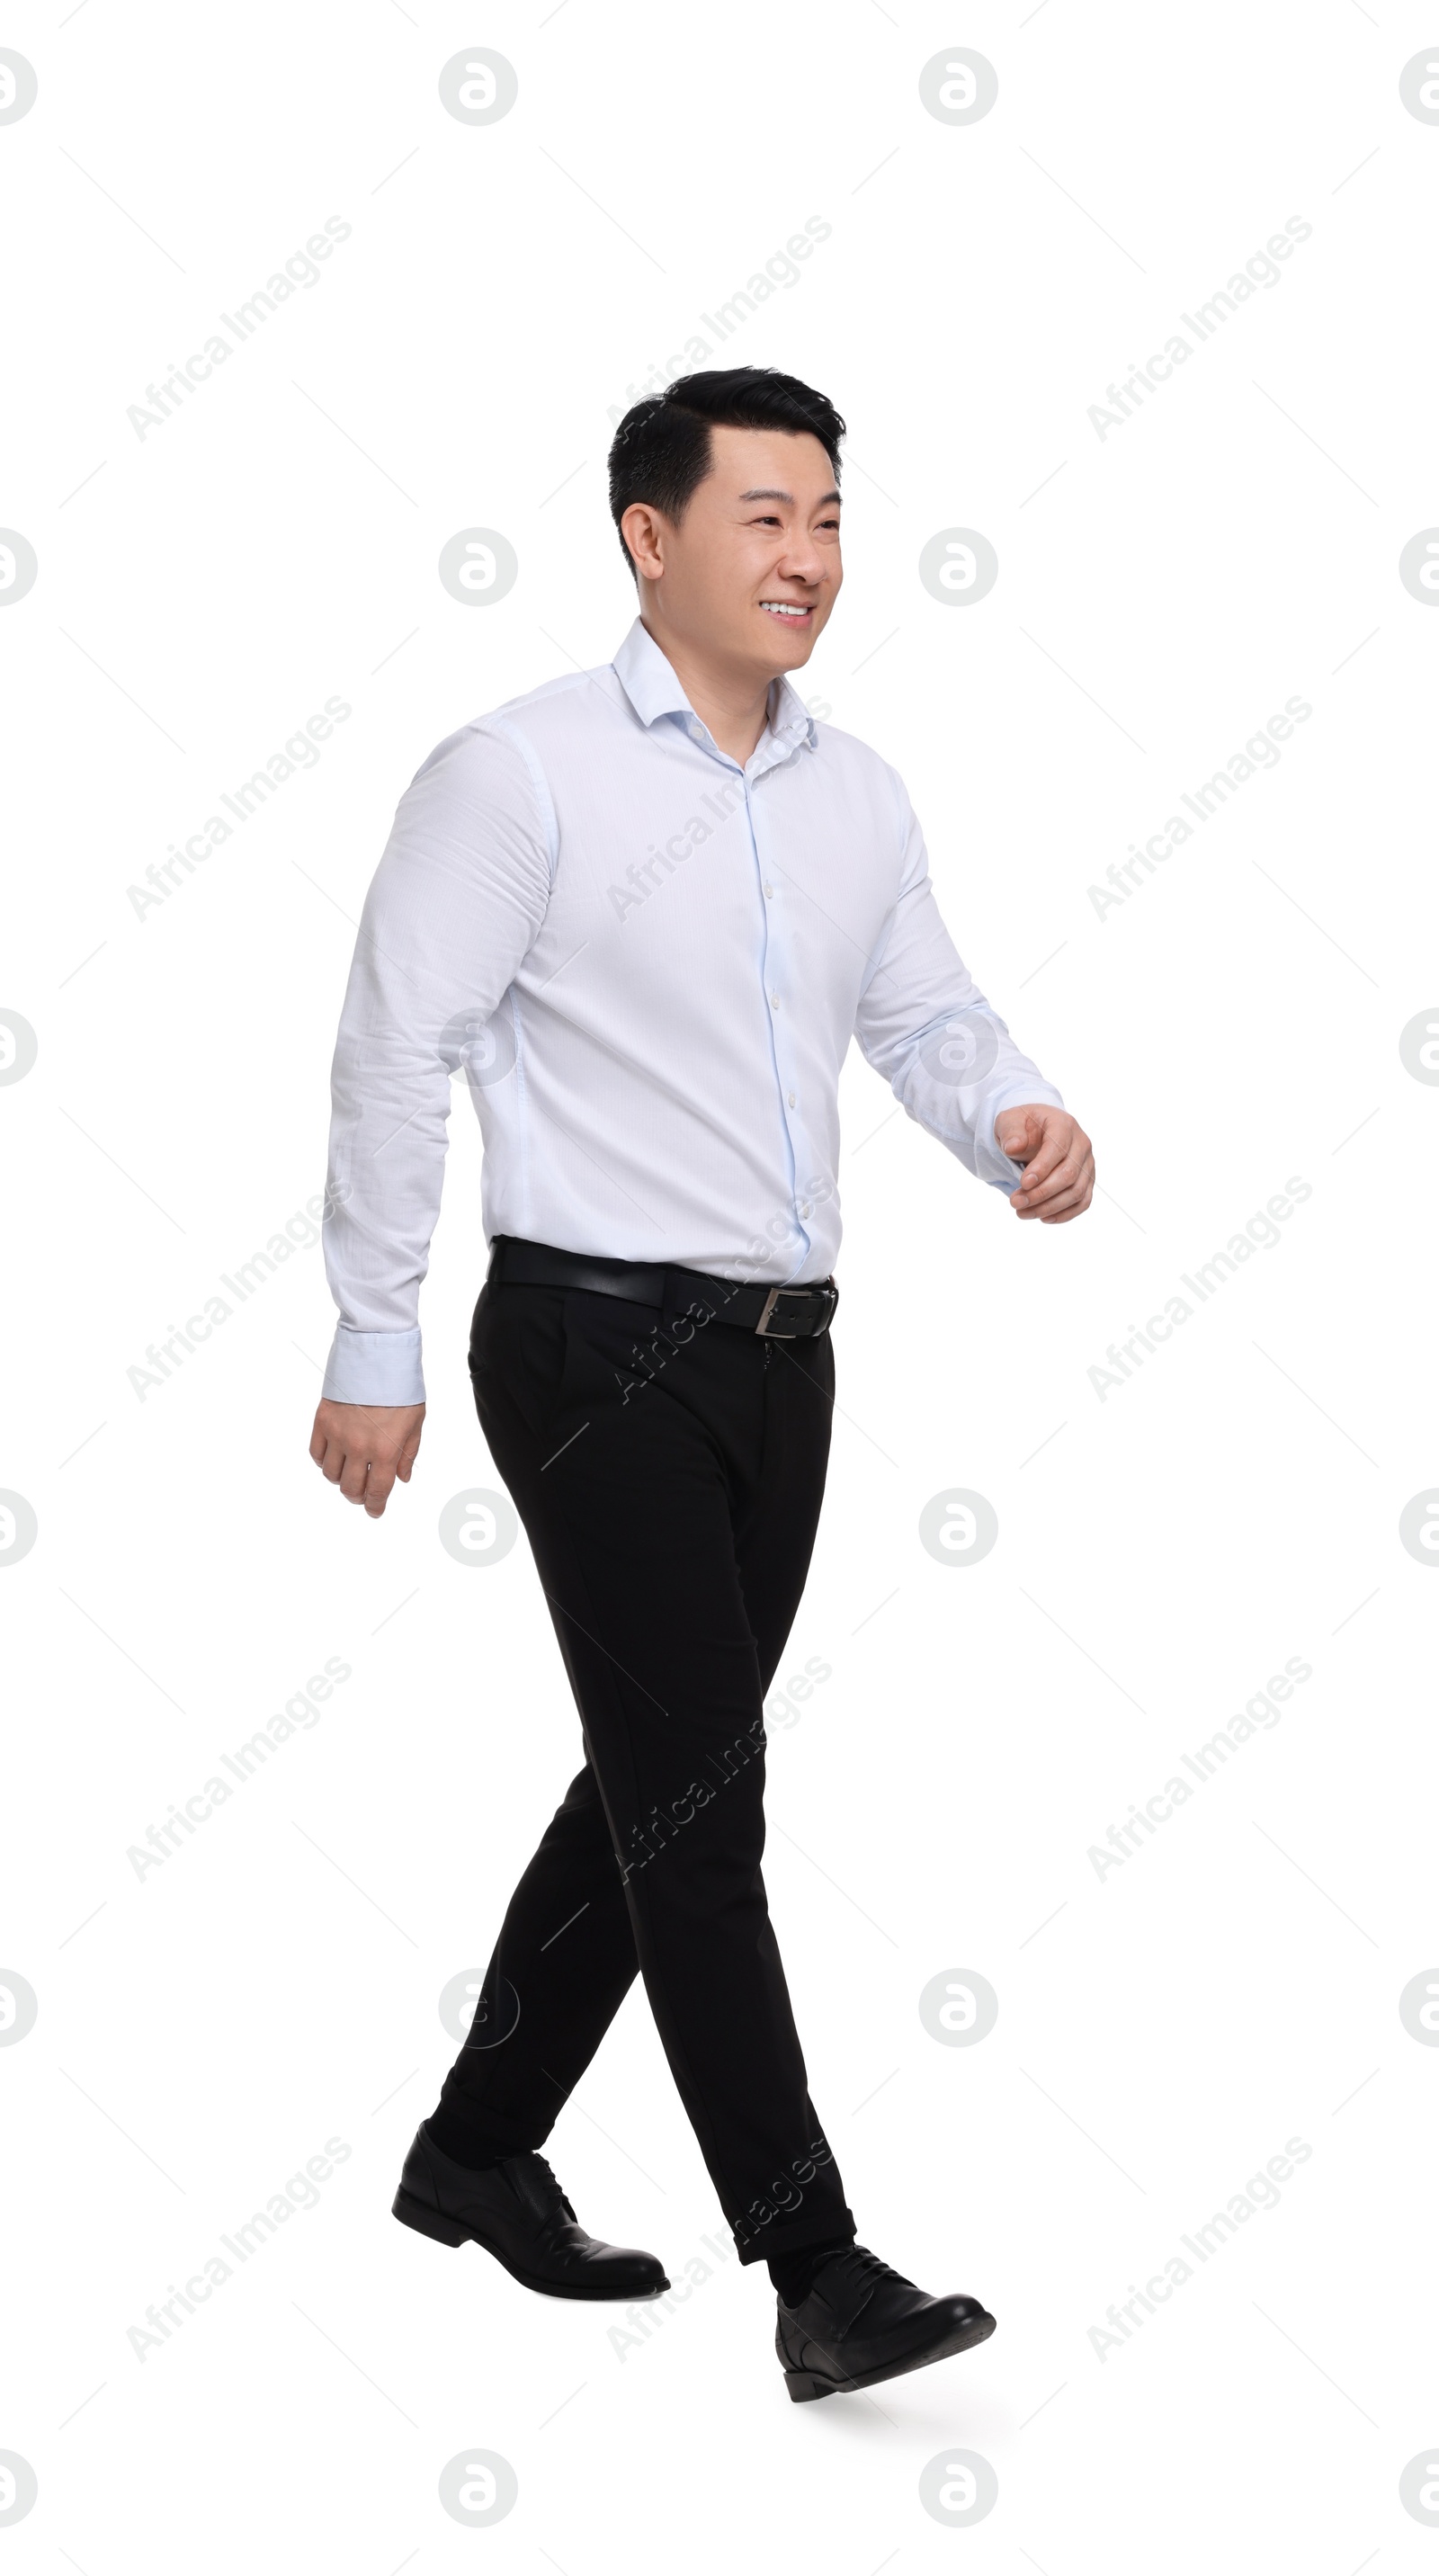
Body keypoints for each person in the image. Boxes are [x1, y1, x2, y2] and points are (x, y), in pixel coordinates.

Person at [308, 367, 1094, 2402]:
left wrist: (1008, 1109)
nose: (808, 556)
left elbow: (921, 1006)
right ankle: (812, 2264)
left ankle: (477, 2150)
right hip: (585, 1341)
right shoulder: (521, 773)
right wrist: (373, 1331)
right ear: (647, 541)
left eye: (825, 514)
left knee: (663, 1777)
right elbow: (398, 1040)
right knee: (700, 1802)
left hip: (781, 1353)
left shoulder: (856, 790)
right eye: (761, 517)